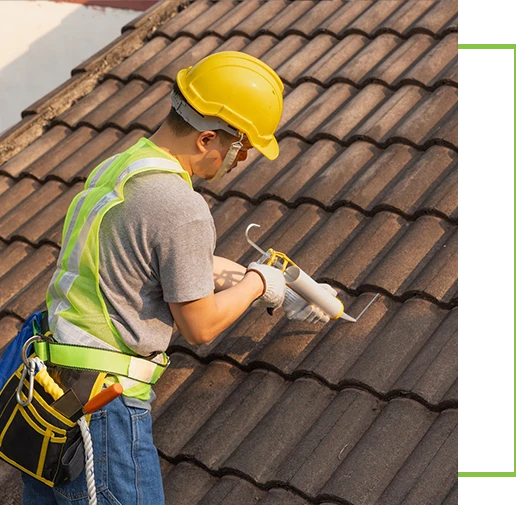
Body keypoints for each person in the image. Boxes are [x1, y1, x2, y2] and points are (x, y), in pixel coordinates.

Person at [20, 51, 333, 505]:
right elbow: (200, 326)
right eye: (241, 146)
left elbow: (150, 262)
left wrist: (260, 281)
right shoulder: (181, 206)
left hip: (50, 394)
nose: (241, 159)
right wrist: (259, 285)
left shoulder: (120, 167)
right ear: (208, 138)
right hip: (102, 412)